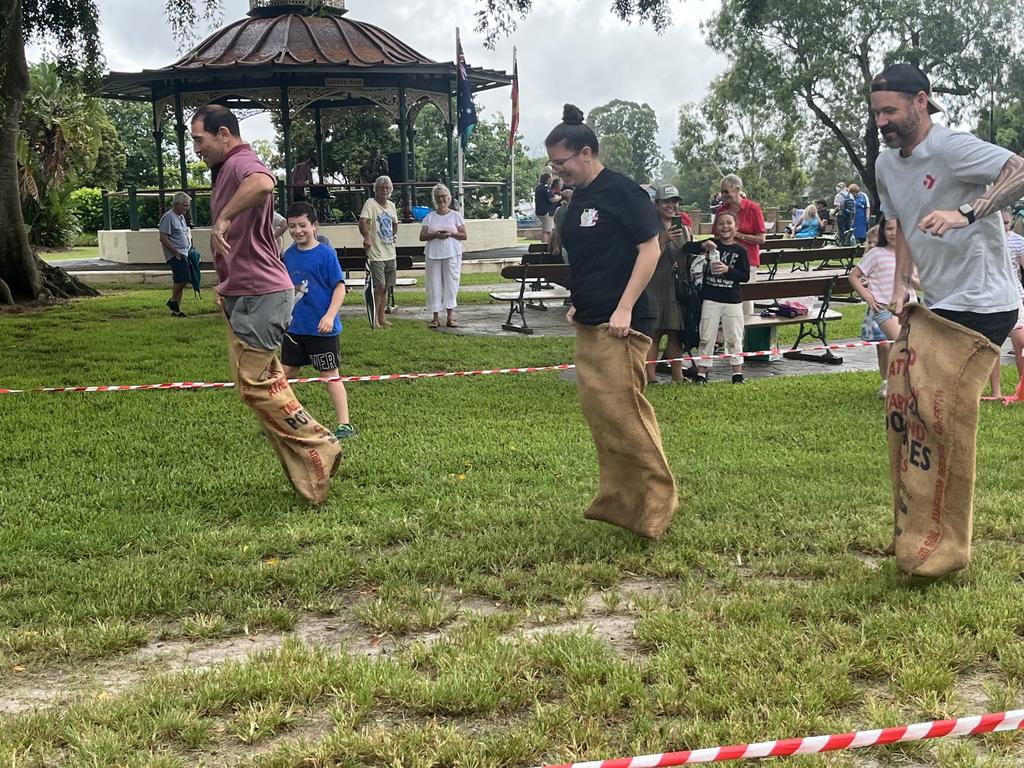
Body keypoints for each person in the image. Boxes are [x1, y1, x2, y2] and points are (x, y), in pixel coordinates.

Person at [190, 104, 340, 504]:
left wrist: (222, 221)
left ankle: (321, 443)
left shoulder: (242, 162)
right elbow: (265, 219)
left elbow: (263, 183)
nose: (196, 149)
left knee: (255, 387)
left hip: (262, 294)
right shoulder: (226, 170)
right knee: (258, 385)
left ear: (224, 134)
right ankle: (309, 474)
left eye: (199, 140)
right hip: (244, 291)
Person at [547, 103, 676, 539]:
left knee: (625, 413)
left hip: (625, 322)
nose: (556, 170)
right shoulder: (580, 197)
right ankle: (622, 502)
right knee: (603, 414)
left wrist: (623, 308)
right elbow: (594, 258)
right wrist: (579, 302)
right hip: (592, 317)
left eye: (560, 162)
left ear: (585, 152)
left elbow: (650, 249)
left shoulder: (623, 191)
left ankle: (658, 502)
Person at [873, 62, 1024, 345]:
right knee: (920, 388)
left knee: (942, 390)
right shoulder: (885, 165)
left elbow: (1020, 170)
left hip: (983, 302)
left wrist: (963, 214)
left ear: (920, 101)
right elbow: (905, 223)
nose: (880, 122)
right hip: (938, 301)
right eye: (877, 112)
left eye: (890, 111)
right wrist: (902, 285)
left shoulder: (950, 147)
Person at [280, 201, 355, 441]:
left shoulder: (325, 254)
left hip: (322, 329)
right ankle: (283, 422)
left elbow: (340, 287)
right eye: (292, 226)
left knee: (329, 374)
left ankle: (344, 424)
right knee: (285, 374)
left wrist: (330, 315)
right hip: (294, 329)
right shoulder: (288, 256)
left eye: (303, 225)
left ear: (315, 226)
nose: (298, 230)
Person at [848, 219, 914, 398]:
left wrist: (911, 279)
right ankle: (891, 383)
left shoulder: (909, 252)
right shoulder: (876, 253)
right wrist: (867, 296)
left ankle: (902, 383)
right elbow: (853, 276)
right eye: (889, 229)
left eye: (897, 229)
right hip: (884, 308)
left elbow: (916, 282)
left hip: (909, 308)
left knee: (908, 345)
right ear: (883, 231)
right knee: (900, 342)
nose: (893, 233)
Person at [687, 210, 750, 384]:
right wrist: (702, 246)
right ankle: (702, 373)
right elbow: (686, 248)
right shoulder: (711, 245)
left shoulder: (741, 250)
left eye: (729, 223)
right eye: (721, 223)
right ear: (716, 227)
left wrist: (728, 270)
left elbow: (745, 276)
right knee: (706, 335)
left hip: (732, 300)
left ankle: (737, 373)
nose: (725, 227)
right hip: (711, 299)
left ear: (736, 227)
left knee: (734, 336)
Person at [646, 185, 691, 384]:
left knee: (675, 333)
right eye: (666, 201)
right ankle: (650, 377)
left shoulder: (685, 230)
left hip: (677, 288)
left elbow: (688, 257)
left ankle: (677, 376)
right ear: (656, 204)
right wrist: (662, 241)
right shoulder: (647, 229)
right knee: (653, 334)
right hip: (654, 285)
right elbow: (644, 259)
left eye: (675, 201)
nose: (671, 205)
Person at [714, 173, 765, 317]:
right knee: (724, 301)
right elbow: (716, 236)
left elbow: (761, 239)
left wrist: (739, 235)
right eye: (722, 192)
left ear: (737, 189)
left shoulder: (753, 208)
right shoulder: (721, 210)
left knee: (746, 304)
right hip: (725, 261)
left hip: (747, 263)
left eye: (726, 191)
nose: (723, 195)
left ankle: (743, 336)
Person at [419, 182, 467, 328]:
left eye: (444, 196)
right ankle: (435, 317)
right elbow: (422, 236)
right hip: (434, 254)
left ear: (449, 198)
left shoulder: (456, 216)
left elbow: (464, 235)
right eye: (438, 197)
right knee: (434, 284)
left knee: (451, 283)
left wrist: (451, 233)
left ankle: (450, 316)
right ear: (435, 199)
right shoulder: (430, 217)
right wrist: (435, 235)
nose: (441, 200)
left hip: (451, 253)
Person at [989, 208, 1024, 397]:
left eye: (1006, 222)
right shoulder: (986, 240)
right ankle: (996, 392)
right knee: (994, 344)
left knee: (1021, 342)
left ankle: (1022, 389)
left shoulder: (1018, 241)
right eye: (998, 222)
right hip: (991, 298)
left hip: (1015, 297)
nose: (1002, 226)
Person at [358, 175, 399, 330]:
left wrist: (394, 234)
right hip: (376, 253)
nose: (384, 190)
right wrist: (367, 236)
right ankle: (374, 319)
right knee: (379, 286)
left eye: (387, 187)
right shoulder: (370, 203)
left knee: (386, 287)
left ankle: (382, 318)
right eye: (381, 187)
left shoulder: (391, 205)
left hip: (390, 252)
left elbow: (395, 223)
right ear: (376, 189)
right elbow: (363, 222)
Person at [158, 191, 192, 317]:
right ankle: (172, 300)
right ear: (176, 204)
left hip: (185, 252)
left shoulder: (181, 217)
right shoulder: (169, 217)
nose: (186, 208)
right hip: (176, 254)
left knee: (180, 280)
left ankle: (176, 310)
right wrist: (175, 252)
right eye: (184, 205)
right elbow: (163, 237)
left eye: (187, 205)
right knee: (183, 278)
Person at [534, 172, 560, 245]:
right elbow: (552, 199)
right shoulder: (546, 188)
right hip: (547, 212)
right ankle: (545, 246)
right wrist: (560, 197)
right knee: (547, 230)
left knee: (547, 229)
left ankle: (547, 244)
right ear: (548, 179)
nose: (552, 179)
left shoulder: (538, 188)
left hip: (540, 211)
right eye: (551, 178)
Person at [549, 185, 574, 260]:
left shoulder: (559, 211)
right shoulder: (574, 210)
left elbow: (557, 230)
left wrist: (556, 246)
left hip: (565, 245)